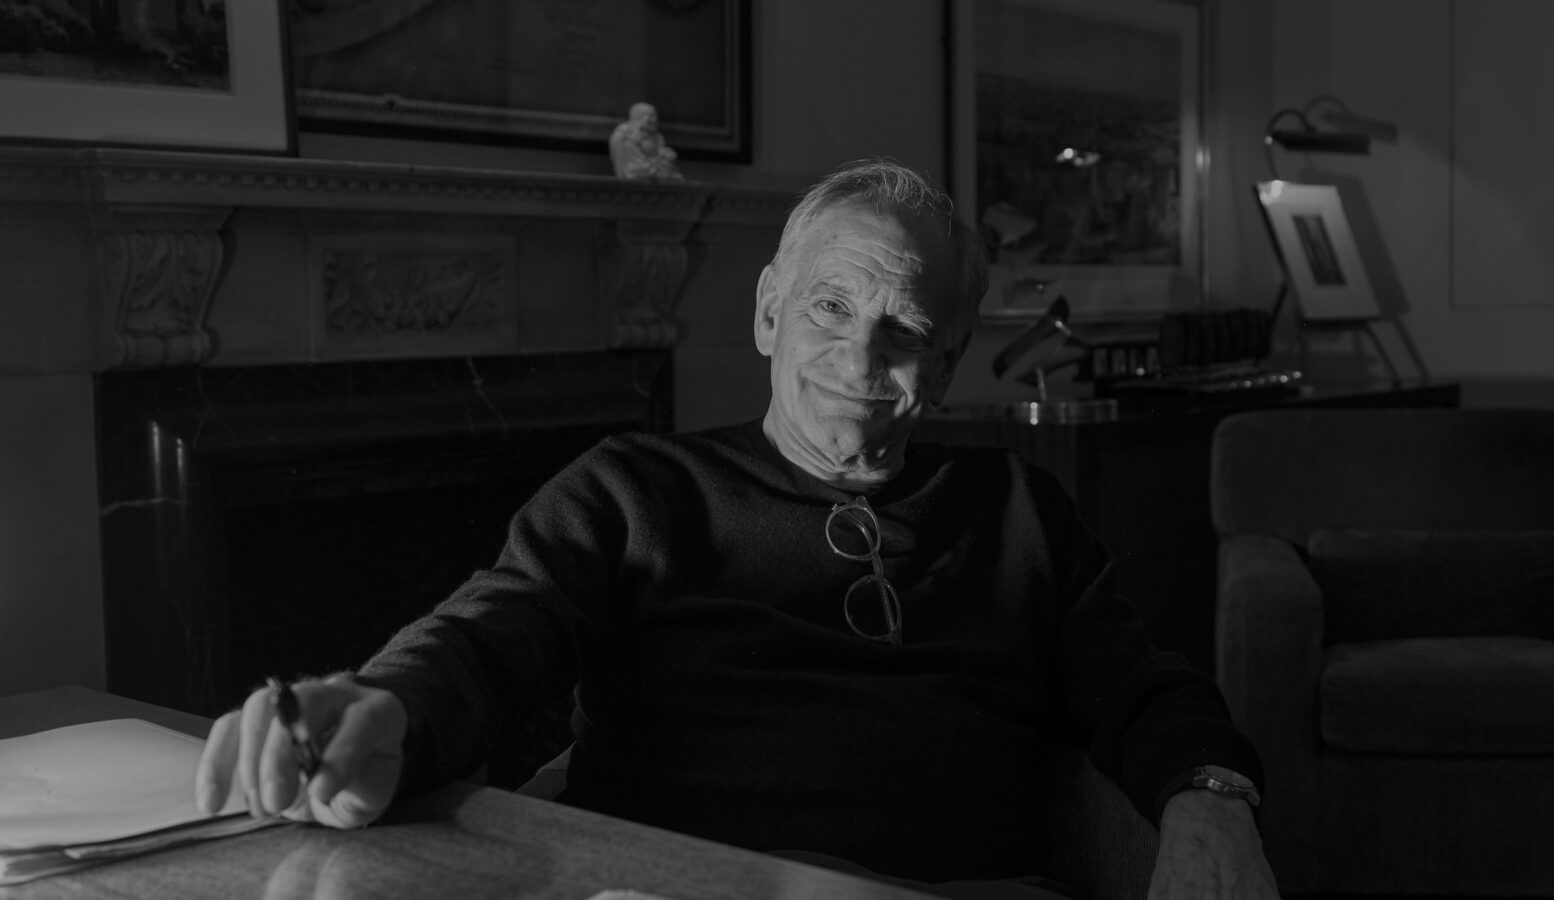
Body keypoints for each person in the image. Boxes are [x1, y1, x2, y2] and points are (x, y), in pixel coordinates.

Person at [196, 160, 1278, 899]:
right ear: (767, 311)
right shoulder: (637, 489)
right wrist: (383, 703)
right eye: (829, 308)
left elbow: (1145, 685)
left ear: (947, 364)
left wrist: (1212, 798)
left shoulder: (1016, 509)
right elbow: (495, 630)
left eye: (905, 330)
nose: (860, 359)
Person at [608, 101, 684, 181]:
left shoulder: (657, 136)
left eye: (654, 116)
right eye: (651, 116)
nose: (655, 120)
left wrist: (666, 154)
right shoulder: (626, 135)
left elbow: (659, 153)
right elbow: (633, 165)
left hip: (652, 168)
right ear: (640, 117)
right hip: (638, 169)